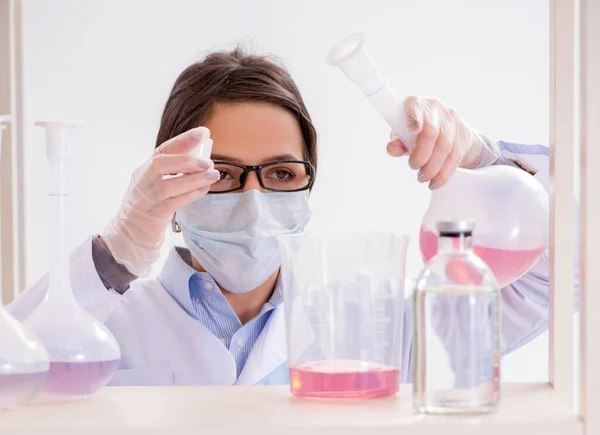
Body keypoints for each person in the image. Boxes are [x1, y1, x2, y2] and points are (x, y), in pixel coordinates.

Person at [6, 47, 578, 386]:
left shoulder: (379, 321)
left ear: (308, 184)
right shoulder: (109, 319)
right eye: (223, 174)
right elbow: (13, 377)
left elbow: (572, 270)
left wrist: (487, 161)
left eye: (281, 174)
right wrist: (118, 250)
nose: (254, 200)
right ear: (168, 182)